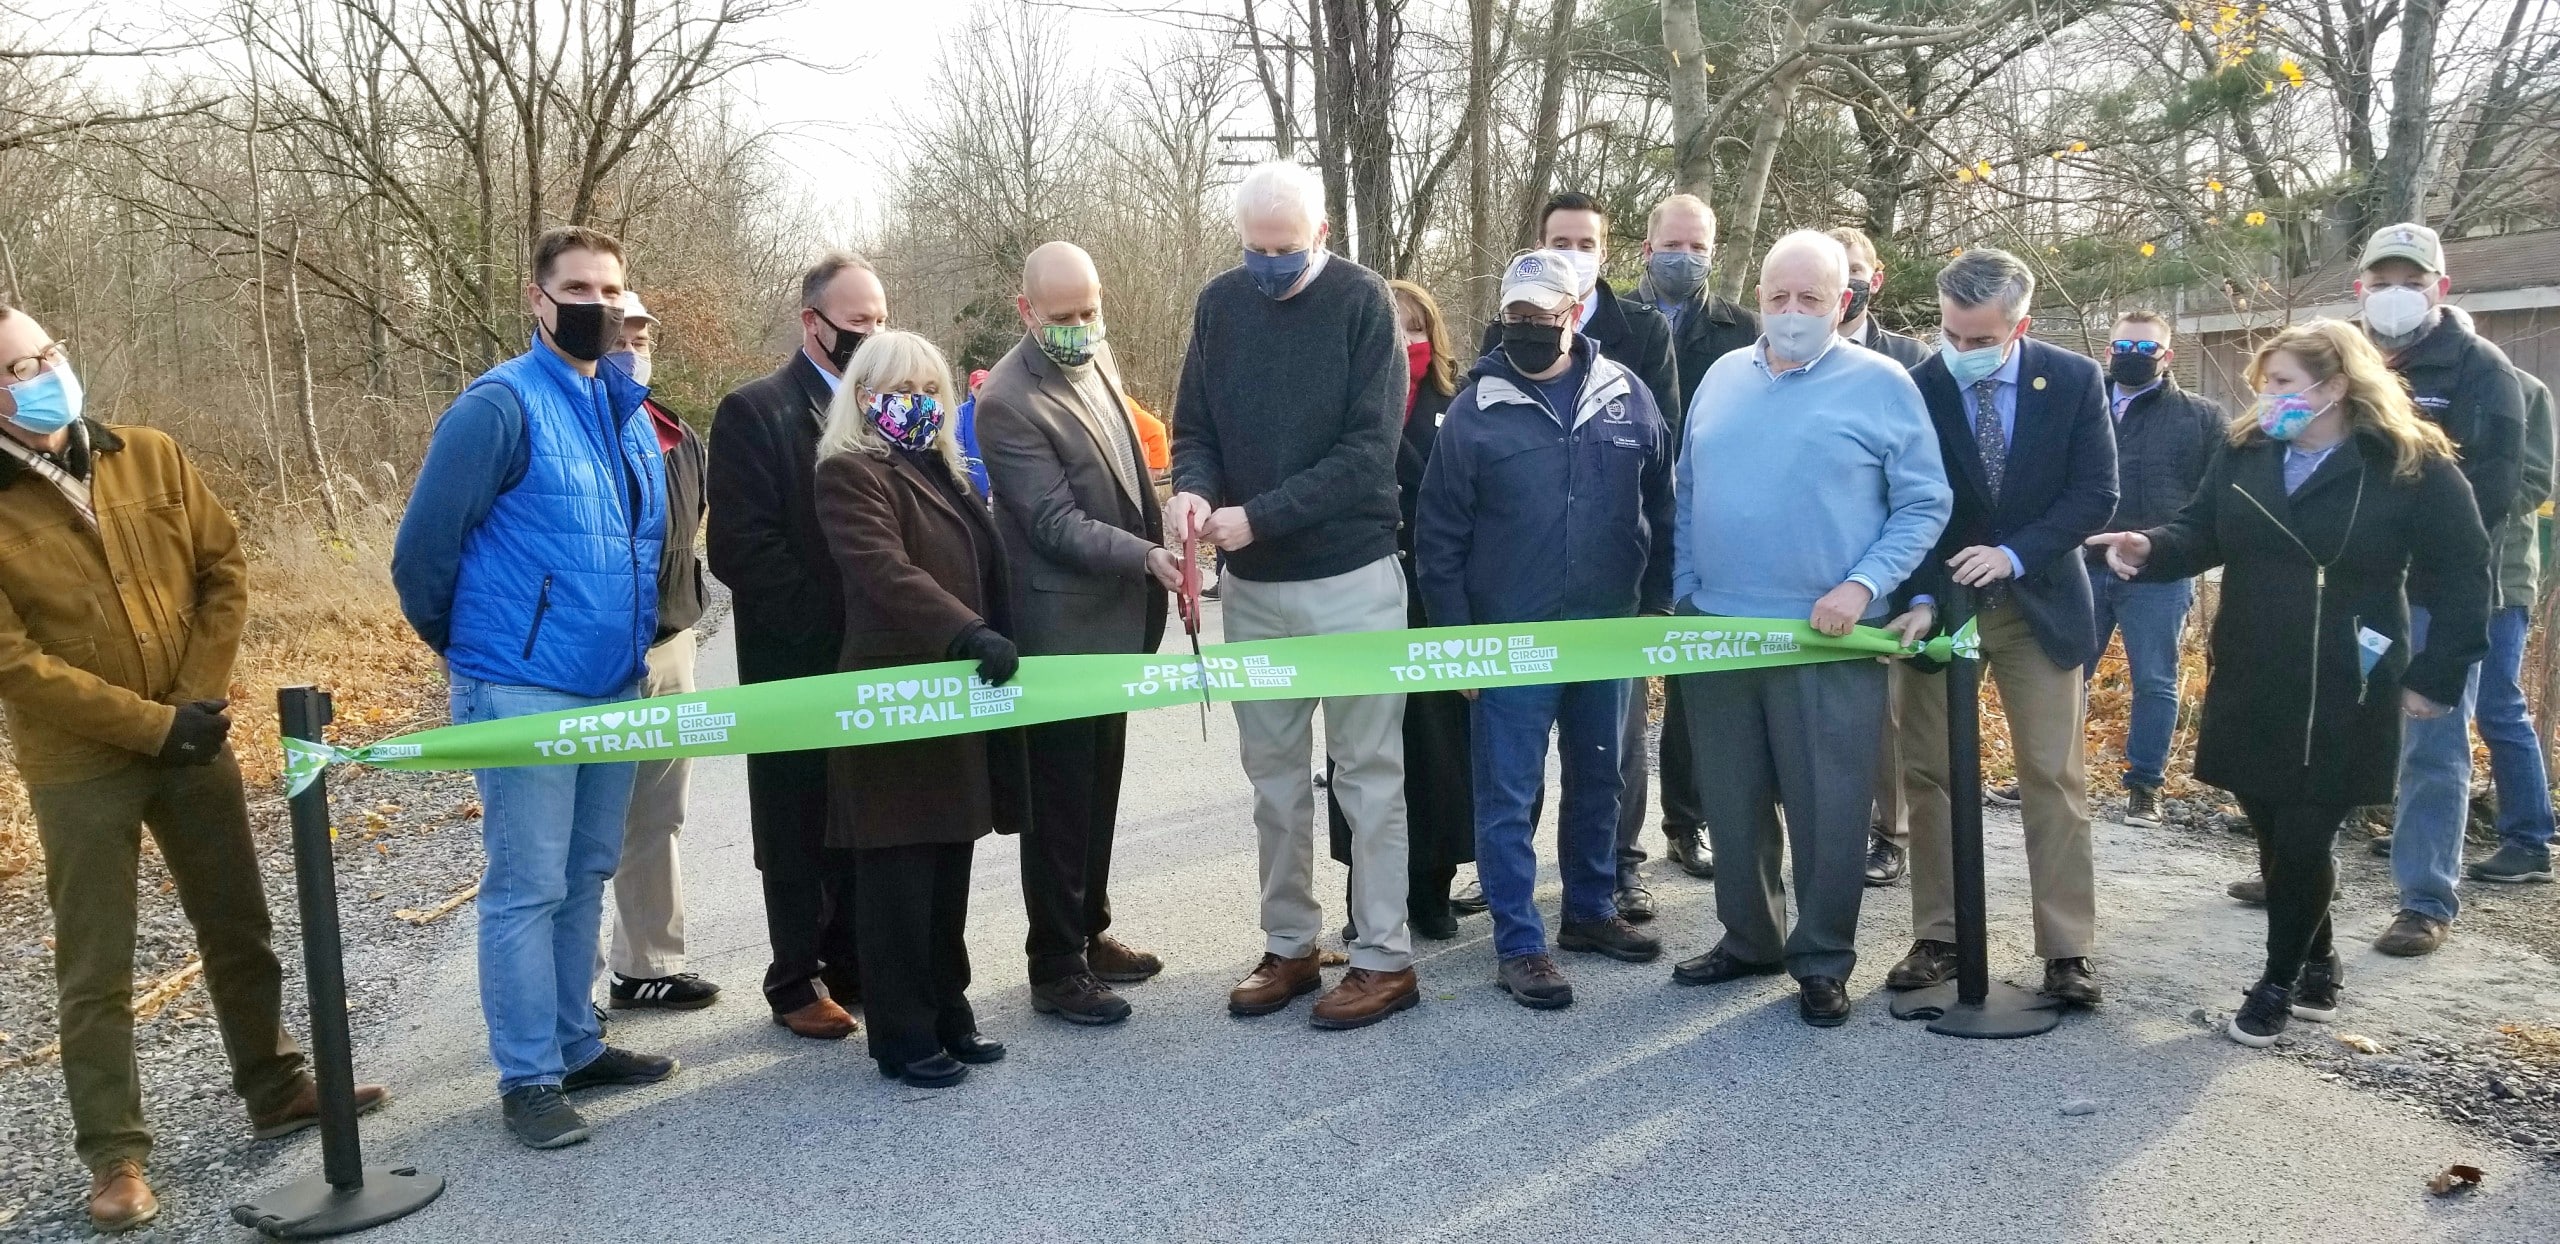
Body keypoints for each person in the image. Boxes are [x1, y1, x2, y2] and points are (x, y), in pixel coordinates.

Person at [0, 304, 386, 1230]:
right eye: (17, 368)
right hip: (80, 763)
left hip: (192, 736)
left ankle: (275, 1081)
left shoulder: (151, 455)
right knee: (98, 965)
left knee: (238, 923)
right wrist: (147, 725)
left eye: (47, 351)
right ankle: (116, 1155)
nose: (44, 372)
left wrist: (193, 702)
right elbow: (13, 661)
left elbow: (224, 568)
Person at [2088, 319, 2488, 1047]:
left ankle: (2276, 982)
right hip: (2252, 663)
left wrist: (2440, 674)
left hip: (2351, 675)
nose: (2267, 398)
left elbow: (2466, 573)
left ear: (2335, 385)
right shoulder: (2246, 450)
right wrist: (2149, 546)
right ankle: (2322, 962)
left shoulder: (2406, 461)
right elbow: (2201, 530)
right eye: (2264, 384)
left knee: (2306, 832)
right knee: (2274, 828)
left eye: (2282, 385)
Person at [392, 226, 678, 1149]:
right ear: (538, 297)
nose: (597, 305)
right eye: (579, 288)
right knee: (525, 884)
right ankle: (527, 1078)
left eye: (612, 289)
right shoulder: (499, 407)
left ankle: (574, 1041)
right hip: (521, 689)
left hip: (611, 686)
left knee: (586, 872)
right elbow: (422, 554)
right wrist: (479, 652)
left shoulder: (625, 409)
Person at [1668, 230, 1951, 1027]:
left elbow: (1925, 501)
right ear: (1758, 296)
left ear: (1843, 303)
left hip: (1826, 637)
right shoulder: (1722, 376)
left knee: (1827, 805)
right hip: (1718, 629)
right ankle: (1748, 936)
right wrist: (1686, 589)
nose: (1792, 313)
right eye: (1778, 297)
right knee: (1733, 798)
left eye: (1811, 300)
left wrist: (1865, 585)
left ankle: (1822, 958)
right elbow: (1689, 492)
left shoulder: (1883, 383)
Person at [1169, 160, 1420, 1030]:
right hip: (1258, 590)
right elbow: (1193, 427)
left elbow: (1367, 453)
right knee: (1273, 784)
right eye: (1254, 249)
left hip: (1350, 576)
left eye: (1285, 248)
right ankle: (1290, 944)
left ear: (1321, 234)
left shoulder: (1363, 305)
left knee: (1369, 777)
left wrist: (1257, 518)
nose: (1269, 265)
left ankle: (1384, 956)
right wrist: (1193, 491)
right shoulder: (1220, 304)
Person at [1415, 250, 1676, 1008]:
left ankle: (1591, 912)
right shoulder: (1477, 407)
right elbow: (1439, 536)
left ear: (1578, 311)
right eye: (1515, 317)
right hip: (1509, 638)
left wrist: (1655, 610)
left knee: (1600, 778)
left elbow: (1665, 503)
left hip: (1607, 631)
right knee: (1508, 794)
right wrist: (1458, 641)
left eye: (1543, 316)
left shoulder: (1625, 395)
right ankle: (1519, 942)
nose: (1528, 329)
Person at [1885, 247, 2118, 1010]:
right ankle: (1941, 935)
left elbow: (2095, 495)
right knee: (1931, 774)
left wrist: (2015, 554)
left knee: (2052, 775)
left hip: (2039, 603)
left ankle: (2066, 949)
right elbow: (1898, 501)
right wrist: (1919, 594)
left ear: (2019, 325)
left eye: (1980, 340)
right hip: (1939, 609)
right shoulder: (1917, 387)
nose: (1962, 353)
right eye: (1952, 334)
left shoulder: (2075, 380)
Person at [813, 329, 1026, 1087]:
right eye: (897, 389)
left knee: (947, 864)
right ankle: (903, 1035)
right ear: (864, 398)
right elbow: (883, 571)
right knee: (898, 876)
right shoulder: (851, 473)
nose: (916, 402)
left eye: (929, 389)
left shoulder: (942, 469)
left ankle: (950, 1010)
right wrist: (965, 630)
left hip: (952, 701)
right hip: (895, 700)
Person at [973, 241, 1174, 1025]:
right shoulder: (1007, 401)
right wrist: (1150, 558)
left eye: (1090, 311)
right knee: (1059, 801)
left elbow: (1128, 469)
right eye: (1063, 317)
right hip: (1057, 629)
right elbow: (1053, 522)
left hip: (1116, 626)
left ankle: (1091, 931)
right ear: (1027, 312)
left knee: (1100, 788)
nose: (1081, 328)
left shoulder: (1099, 360)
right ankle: (1054, 961)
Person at [1477, 191, 1682, 920]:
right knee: (1513, 766)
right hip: (1522, 603)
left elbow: (1662, 477)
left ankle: (1609, 883)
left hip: (1607, 601)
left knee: (1609, 760)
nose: (1571, 254)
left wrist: (1654, 597)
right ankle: (1512, 898)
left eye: (1585, 243)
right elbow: (1457, 503)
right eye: (1558, 241)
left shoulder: (1640, 343)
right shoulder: (1494, 358)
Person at [706, 252, 876, 1038]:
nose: (871, 336)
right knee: (796, 818)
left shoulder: (882, 409)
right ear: (814, 323)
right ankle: (794, 976)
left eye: (881, 322)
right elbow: (741, 547)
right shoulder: (756, 411)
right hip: (796, 654)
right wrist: (825, 622)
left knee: (859, 810)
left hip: (872, 652)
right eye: (857, 323)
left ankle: (854, 960)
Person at [2349, 223, 2529, 956]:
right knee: (2333, 723)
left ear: (2441, 288)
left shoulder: (2480, 369)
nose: (2394, 293)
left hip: (2428, 588)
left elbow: (2490, 492)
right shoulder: (2346, 361)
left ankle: (2425, 898)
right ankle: (2298, 865)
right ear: (2360, 286)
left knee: (2431, 740)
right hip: (2351, 584)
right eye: (2381, 278)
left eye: (2411, 279)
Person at [1327, 278, 1477, 942]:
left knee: (1437, 752)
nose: (1404, 341)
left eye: (1414, 328)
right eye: (1390, 329)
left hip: (1434, 598)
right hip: (1357, 598)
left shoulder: (1461, 404)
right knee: (1363, 750)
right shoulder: (1340, 409)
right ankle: (1367, 891)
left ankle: (1432, 886)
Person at [1622, 193, 1759, 892]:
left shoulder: (1745, 331)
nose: (1686, 257)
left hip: (1710, 521)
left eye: (1699, 246)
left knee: (1694, 677)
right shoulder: (1611, 319)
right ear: (1647, 249)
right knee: (1612, 683)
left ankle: (1687, 819)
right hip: (1626, 517)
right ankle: (1612, 845)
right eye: (1674, 244)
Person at [596, 290, 719, 1013]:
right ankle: (565, 1003)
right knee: (585, 832)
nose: (633, 346)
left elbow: (690, 525)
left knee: (657, 812)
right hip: (581, 664)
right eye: (621, 334)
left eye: (642, 334)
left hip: (670, 644)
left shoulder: (674, 431)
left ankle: (647, 963)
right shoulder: (552, 422)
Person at [2083, 309, 2224, 830]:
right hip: (2083, 563)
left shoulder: (2202, 417)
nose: (2132, 357)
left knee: (2156, 680)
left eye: (2146, 350)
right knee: (2067, 674)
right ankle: (2050, 775)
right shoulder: (2081, 403)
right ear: (2107, 350)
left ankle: (2145, 786)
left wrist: (2166, 546)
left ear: (2167, 356)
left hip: (2159, 570)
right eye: (2124, 347)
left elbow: (2216, 496)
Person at [1822, 226, 1932, 887]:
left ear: (1874, 276)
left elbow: (1925, 483)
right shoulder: (1778, 354)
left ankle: (1888, 834)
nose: (1849, 285)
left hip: (1888, 563)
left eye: (1856, 270)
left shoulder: (1911, 360)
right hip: (1814, 563)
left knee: (1885, 715)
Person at [2468, 363, 2558, 884]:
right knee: (2418, 706)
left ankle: (2528, 841)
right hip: (2418, 577)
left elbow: (2533, 482)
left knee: (2498, 707)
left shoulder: (2524, 388)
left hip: (2500, 579)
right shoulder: (2402, 380)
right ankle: (2429, 820)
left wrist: (2452, 509)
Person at [956, 367, 992, 496]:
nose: (982, 391)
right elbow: (956, 447)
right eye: (978, 387)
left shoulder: (1002, 410)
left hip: (998, 481)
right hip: (973, 483)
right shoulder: (960, 413)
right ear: (971, 388)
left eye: (985, 386)